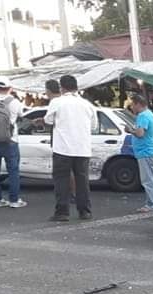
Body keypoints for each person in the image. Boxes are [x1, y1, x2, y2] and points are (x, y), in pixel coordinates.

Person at [44, 75, 96, 221]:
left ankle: (62, 212)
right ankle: (85, 211)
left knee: (61, 180)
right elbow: (93, 126)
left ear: (62, 87)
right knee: (82, 180)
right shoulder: (87, 104)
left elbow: (48, 120)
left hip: (62, 148)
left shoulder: (57, 102)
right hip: (83, 148)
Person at [125, 94, 153, 213]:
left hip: (145, 152)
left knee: (148, 180)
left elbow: (140, 134)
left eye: (132, 105)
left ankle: (151, 204)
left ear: (138, 104)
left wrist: (130, 130)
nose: (132, 108)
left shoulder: (142, 116)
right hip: (152, 151)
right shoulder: (150, 114)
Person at [0, 76, 26, 208]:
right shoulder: (15, 102)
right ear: (9, 88)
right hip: (11, 140)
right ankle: (14, 200)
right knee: (13, 171)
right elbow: (22, 115)